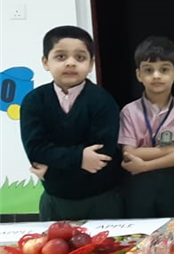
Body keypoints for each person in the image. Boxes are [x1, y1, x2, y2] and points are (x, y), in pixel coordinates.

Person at [20, 25, 124, 220]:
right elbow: (36, 150)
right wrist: (80, 157)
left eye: (80, 57)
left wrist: (52, 170)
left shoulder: (103, 100)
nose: (70, 63)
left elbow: (101, 156)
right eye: (61, 56)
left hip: (101, 199)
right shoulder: (34, 101)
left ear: (91, 64)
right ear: (45, 62)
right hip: (55, 200)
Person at [118, 36, 174, 217]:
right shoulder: (129, 111)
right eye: (148, 70)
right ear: (139, 75)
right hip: (140, 185)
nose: (156, 75)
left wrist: (145, 165)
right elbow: (129, 153)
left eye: (164, 69)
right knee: (140, 231)